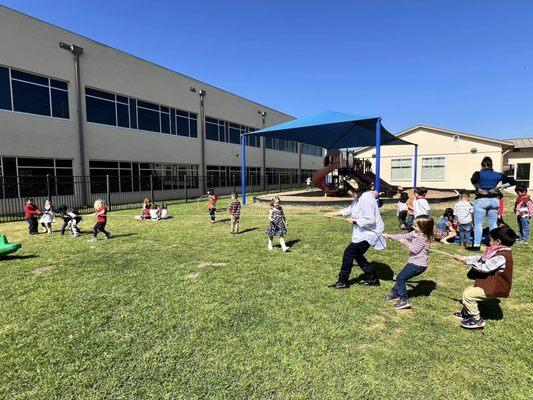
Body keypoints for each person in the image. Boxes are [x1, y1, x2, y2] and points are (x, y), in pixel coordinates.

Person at [452, 226, 516, 329]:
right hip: (490, 283)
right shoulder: (495, 251)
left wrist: (466, 262)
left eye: (490, 239)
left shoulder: (502, 256)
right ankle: (466, 313)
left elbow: (485, 267)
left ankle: (476, 319)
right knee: (469, 291)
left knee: (468, 295)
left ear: (497, 241)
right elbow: (480, 259)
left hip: (496, 287)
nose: (488, 241)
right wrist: (464, 258)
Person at [326, 177, 386, 289]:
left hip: (371, 232)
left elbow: (370, 220)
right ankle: (373, 279)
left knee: (349, 253)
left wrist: (354, 220)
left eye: (348, 189)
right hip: (363, 232)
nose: (347, 192)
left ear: (354, 189)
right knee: (357, 254)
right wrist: (334, 213)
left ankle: (342, 281)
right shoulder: (359, 197)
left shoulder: (365, 199)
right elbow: (350, 209)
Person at [382, 215, 434, 309]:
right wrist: (389, 236)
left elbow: (414, 250)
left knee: (401, 278)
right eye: (413, 225)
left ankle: (404, 300)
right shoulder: (416, 233)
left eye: (416, 226)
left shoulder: (423, 238)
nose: (413, 227)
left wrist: (404, 242)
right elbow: (403, 235)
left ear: (424, 228)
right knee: (400, 277)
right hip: (413, 263)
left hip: (418, 265)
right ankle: (395, 293)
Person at [470, 157, 515, 251]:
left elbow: (473, 180)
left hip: (481, 200)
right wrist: (499, 188)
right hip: (494, 200)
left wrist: (478, 189)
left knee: (478, 224)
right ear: (491, 165)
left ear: (482, 164)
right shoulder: (498, 175)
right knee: (493, 224)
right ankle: (495, 244)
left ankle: (476, 245)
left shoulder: (478, 173)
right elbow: (513, 181)